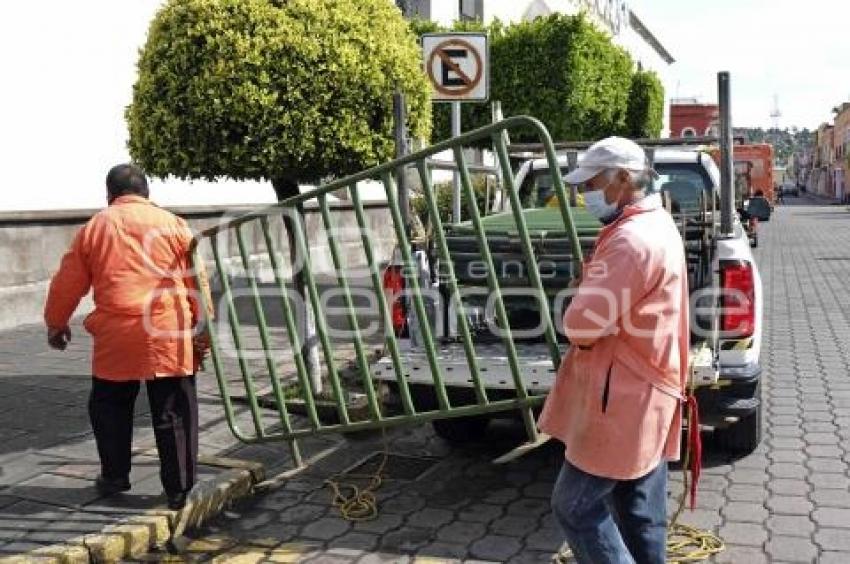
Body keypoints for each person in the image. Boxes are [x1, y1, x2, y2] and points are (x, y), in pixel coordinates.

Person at [539, 137, 689, 564]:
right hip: (648, 389)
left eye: (591, 183)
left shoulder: (631, 240)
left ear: (624, 178)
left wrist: (575, 306)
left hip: (623, 395)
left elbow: (582, 324)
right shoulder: (656, 223)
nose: (583, 194)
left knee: (574, 505)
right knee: (640, 509)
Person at [44, 164, 211, 510]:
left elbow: (68, 280)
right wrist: (202, 335)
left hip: (117, 333)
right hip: (168, 331)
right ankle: (178, 489)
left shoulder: (95, 227)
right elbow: (199, 284)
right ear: (148, 194)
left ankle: (115, 475)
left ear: (109, 194)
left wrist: (56, 323)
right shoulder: (175, 225)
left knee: (109, 407)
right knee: (174, 410)